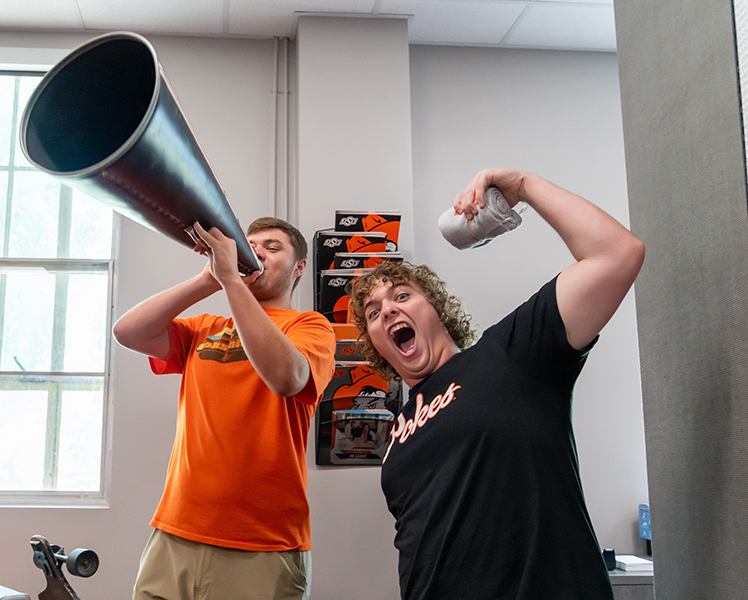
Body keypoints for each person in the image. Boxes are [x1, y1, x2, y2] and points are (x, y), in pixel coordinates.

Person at [349, 168, 645, 600]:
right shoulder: (398, 427)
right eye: (374, 313)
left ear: (436, 307)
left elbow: (617, 255)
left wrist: (523, 185)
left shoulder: (508, 355)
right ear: (376, 342)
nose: (388, 311)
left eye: (401, 295)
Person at [114, 217, 336, 600]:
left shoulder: (310, 327)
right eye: (250, 245)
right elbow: (128, 332)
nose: (258, 251)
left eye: (273, 246)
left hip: (262, 544)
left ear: (300, 267)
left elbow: (288, 377)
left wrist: (234, 282)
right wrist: (208, 279)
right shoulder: (206, 327)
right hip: (176, 532)